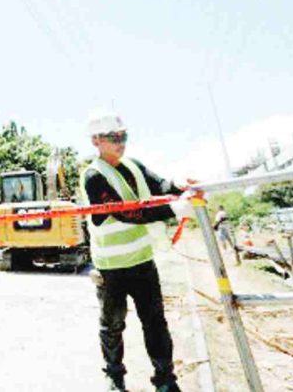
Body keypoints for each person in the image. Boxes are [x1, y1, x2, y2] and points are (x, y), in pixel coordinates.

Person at [79, 111, 194, 392]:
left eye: (123, 136)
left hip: (142, 261)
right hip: (111, 266)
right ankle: (115, 378)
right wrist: (172, 209)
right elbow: (127, 213)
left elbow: (160, 186)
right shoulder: (94, 176)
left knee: (155, 323)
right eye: (113, 137)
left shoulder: (133, 166)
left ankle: (165, 379)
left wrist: (179, 185)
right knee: (113, 325)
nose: (121, 143)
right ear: (96, 141)